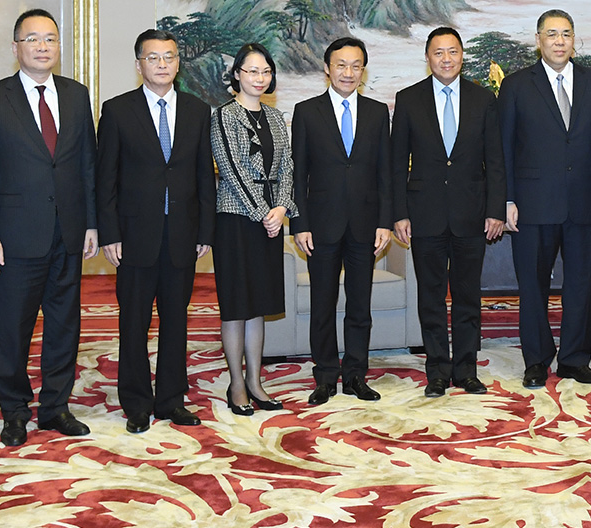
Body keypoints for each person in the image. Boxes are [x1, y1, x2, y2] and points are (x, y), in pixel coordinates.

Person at [0, 8, 98, 447]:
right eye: (33, 39)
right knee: (14, 328)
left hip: (68, 231)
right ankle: (14, 410)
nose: (42, 47)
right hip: (14, 237)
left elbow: (87, 164)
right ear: (16, 47)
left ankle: (56, 406)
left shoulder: (77, 95)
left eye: (50, 39)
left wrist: (92, 223)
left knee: (64, 325)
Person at [96, 29, 216, 434]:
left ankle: (171, 399)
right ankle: (135, 402)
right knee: (134, 321)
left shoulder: (198, 110)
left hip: (182, 233)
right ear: (139, 64)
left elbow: (204, 176)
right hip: (134, 236)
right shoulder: (117, 110)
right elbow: (106, 179)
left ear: (178, 63)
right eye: (153, 58)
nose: (162, 64)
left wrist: (205, 231)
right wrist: (110, 233)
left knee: (176, 320)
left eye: (169, 57)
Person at [499, 9, 591, 389]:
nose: (559, 41)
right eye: (552, 34)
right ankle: (536, 360)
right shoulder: (516, 85)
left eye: (566, 33)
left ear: (574, 39)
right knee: (532, 286)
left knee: (581, 285)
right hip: (533, 203)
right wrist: (507, 199)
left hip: (583, 200)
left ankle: (574, 360)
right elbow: (504, 148)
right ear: (538, 40)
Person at [392, 27, 507, 396]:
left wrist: (496, 210)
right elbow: (397, 163)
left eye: (453, 51)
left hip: (471, 214)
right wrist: (399, 213)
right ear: (428, 57)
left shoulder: (483, 98)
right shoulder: (408, 99)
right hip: (423, 215)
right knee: (430, 298)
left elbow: (495, 160)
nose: (446, 59)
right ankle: (438, 371)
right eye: (439, 52)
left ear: (462, 56)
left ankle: (466, 370)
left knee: (467, 297)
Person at [291, 36, 391, 406]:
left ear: (363, 70)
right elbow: (297, 174)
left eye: (355, 66)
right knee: (322, 304)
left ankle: (355, 375)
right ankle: (325, 377)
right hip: (320, 226)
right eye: (341, 65)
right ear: (327, 68)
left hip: (366, 225)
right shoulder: (306, 111)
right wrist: (299, 223)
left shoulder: (378, 112)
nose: (348, 72)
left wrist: (385, 221)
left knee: (360, 305)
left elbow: (385, 173)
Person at [211, 43, 297, 415]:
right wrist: (265, 212)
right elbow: (231, 169)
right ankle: (236, 384)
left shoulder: (275, 117)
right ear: (237, 75)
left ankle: (256, 382)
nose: (259, 78)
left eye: (265, 72)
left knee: (258, 306)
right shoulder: (223, 116)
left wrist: (281, 207)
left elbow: (288, 166)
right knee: (236, 306)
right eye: (252, 71)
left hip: (270, 221)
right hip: (235, 221)